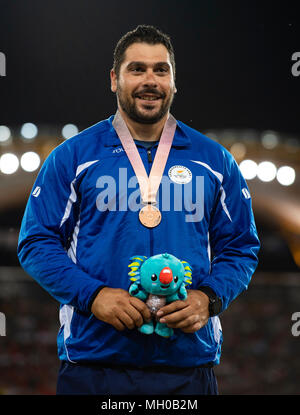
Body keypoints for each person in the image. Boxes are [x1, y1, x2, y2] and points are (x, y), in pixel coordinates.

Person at [17, 25, 260, 395]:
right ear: (114, 79)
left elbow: (241, 246)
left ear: (174, 82)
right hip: (94, 366)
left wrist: (207, 298)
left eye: (161, 70)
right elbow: (36, 242)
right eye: (137, 69)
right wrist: (93, 295)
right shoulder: (73, 157)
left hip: (187, 369)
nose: (150, 80)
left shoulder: (215, 161)